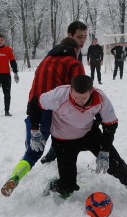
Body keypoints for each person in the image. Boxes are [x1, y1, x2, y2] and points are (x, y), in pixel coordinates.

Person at [27, 75, 127, 203]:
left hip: (88, 134)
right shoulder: (58, 95)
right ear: (71, 90)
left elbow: (110, 125)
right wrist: (34, 130)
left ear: (91, 91)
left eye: (83, 98)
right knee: (67, 187)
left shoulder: (101, 98)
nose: (79, 101)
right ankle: (55, 185)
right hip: (63, 140)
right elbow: (34, 104)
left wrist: (105, 150)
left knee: (115, 163)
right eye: (75, 96)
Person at [1, 37, 85, 197]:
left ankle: (15, 176)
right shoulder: (74, 63)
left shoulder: (45, 61)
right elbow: (80, 91)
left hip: (34, 110)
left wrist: (34, 126)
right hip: (56, 110)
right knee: (67, 145)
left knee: (33, 151)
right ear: (75, 50)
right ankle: (65, 185)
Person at [40, 20, 88, 164]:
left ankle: (55, 153)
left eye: (85, 37)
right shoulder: (59, 52)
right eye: (79, 37)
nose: (83, 40)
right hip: (53, 99)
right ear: (70, 35)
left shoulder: (76, 54)